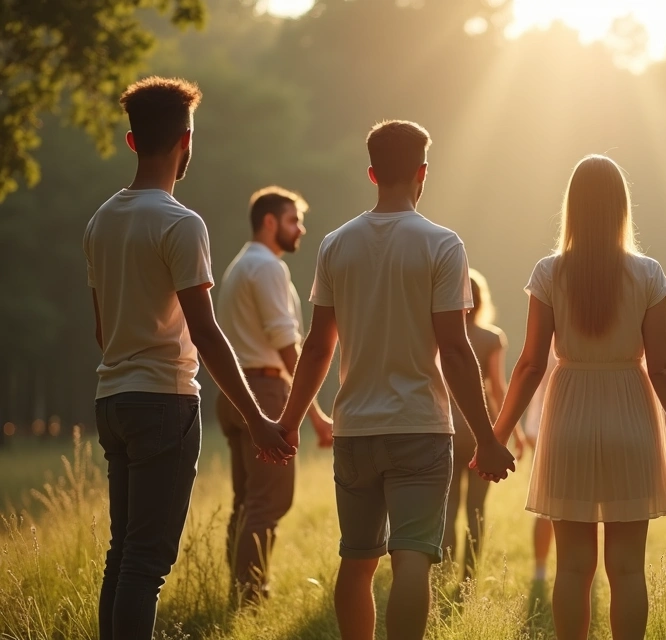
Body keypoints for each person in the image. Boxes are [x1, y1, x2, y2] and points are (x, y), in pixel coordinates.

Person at [276, 120, 516, 640]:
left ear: (371, 173)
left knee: (357, 560)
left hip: (355, 428)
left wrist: (289, 422)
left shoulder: (335, 245)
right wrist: (490, 438)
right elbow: (454, 350)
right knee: (412, 561)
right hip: (421, 429)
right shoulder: (442, 245)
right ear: (421, 173)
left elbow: (318, 346)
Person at [83, 76, 293, 640]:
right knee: (146, 564)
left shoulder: (100, 221)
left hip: (112, 399)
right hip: (163, 403)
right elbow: (205, 331)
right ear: (186, 141)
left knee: (123, 553)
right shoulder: (181, 222)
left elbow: (104, 330)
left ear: (132, 142)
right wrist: (260, 419)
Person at [488, 155, 666, 640]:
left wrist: (497, 435)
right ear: (621, 207)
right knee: (628, 569)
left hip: (568, 414)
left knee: (571, 567)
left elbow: (529, 364)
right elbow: (662, 367)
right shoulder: (649, 274)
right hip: (632, 415)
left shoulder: (549, 273)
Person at [215, 186, 335, 603]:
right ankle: (250, 596)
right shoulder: (267, 267)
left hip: (234, 392)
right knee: (268, 503)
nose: (300, 229)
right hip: (265, 391)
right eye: (293, 220)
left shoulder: (238, 266)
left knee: (246, 501)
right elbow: (287, 347)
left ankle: (238, 591)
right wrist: (317, 417)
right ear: (270, 222)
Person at [442, 268, 508, 580]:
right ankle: (468, 575)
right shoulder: (491, 338)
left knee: (448, 505)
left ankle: (442, 571)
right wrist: (513, 433)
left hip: (444, 429)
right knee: (476, 509)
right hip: (482, 430)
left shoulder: (438, 335)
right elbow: (497, 389)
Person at [521, 346, 558, 583]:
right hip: (549, 430)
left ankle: (540, 568)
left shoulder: (550, 345)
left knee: (546, 506)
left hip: (546, 429)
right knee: (590, 503)